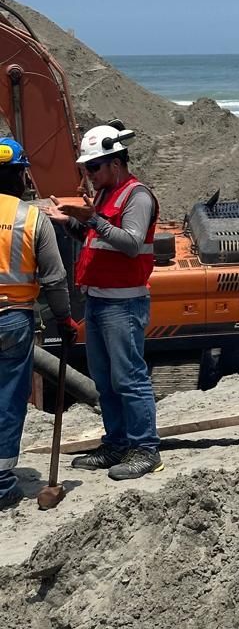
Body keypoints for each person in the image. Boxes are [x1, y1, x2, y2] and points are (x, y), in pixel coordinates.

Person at [48, 122, 163, 480]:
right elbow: (94, 240)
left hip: (123, 304)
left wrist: (93, 219)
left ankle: (145, 450)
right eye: (86, 168)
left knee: (129, 378)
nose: (90, 175)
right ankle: (116, 444)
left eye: (94, 167)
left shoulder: (136, 196)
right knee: (105, 380)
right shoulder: (104, 194)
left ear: (115, 163)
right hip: (99, 301)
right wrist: (69, 221)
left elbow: (130, 244)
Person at [0, 137, 77, 510]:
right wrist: (64, 319)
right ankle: (2, 484)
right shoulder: (31, 219)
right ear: (21, 176)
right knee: (8, 399)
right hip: (13, 320)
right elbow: (55, 279)